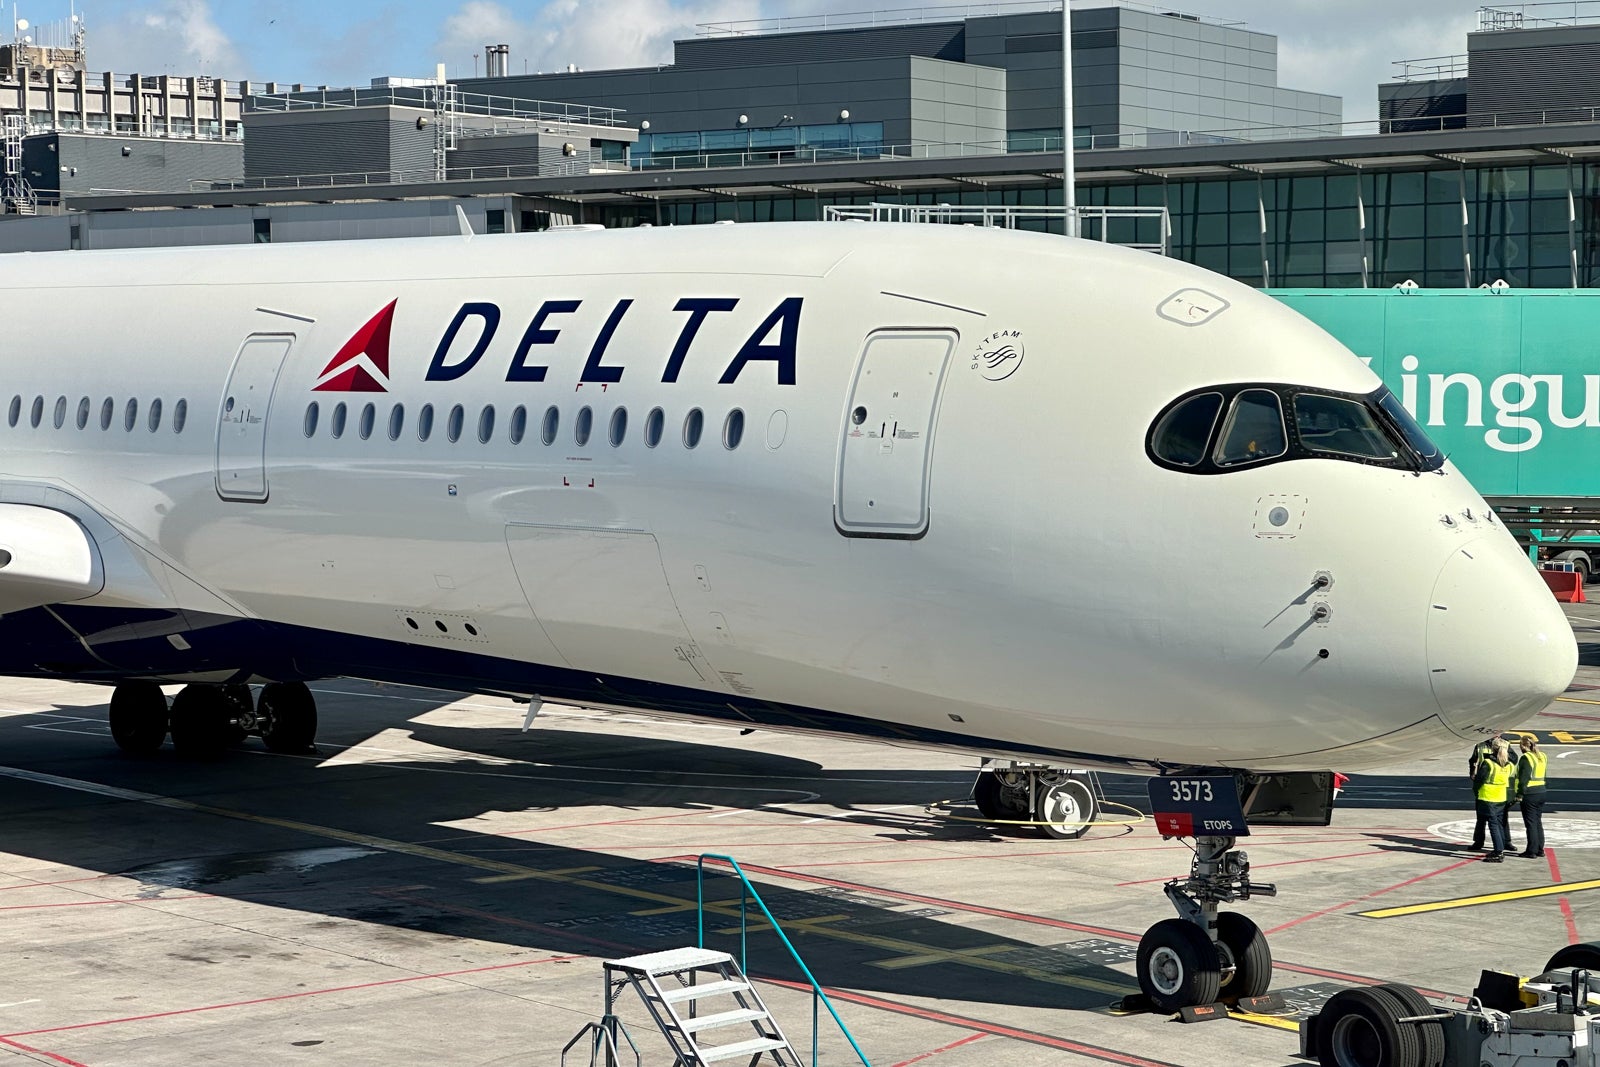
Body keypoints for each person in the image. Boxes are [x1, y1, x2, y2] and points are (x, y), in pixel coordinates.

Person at [1473, 739, 1515, 862]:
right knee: (1499, 823)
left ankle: (1498, 852)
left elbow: (1479, 781)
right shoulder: (1509, 765)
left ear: (1493, 749)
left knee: (1493, 825)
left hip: (1488, 797)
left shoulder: (1488, 763)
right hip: (1501, 797)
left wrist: (1476, 791)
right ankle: (1500, 847)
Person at [1468, 731, 1503, 850]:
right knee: (1481, 818)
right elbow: (1473, 760)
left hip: (1494, 787)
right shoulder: (1480, 746)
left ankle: (1504, 843)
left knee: (1498, 820)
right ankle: (1479, 841)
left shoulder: (1505, 744)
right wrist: (1472, 773)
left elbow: (1513, 760)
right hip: (1486, 786)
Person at [1517, 736, 1548, 858]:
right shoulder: (1542, 756)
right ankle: (1540, 849)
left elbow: (1524, 778)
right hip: (1541, 791)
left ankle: (1532, 850)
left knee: (1530, 823)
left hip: (1530, 793)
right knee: (1537, 821)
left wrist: (1519, 794)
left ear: (1523, 746)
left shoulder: (1526, 758)